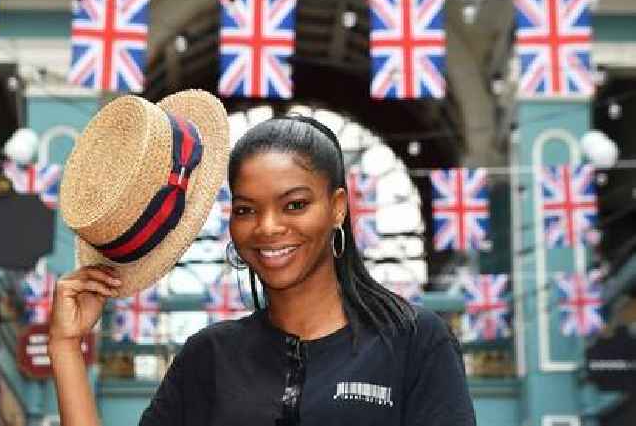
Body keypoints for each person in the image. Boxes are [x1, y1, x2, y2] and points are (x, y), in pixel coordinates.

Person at [49, 115, 477, 426]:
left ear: (337, 207)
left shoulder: (413, 341)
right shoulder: (209, 356)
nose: (268, 227)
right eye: (246, 209)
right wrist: (67, 348)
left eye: (295, 205)